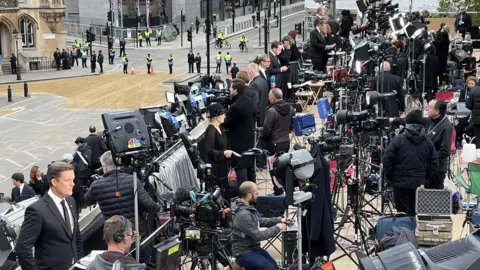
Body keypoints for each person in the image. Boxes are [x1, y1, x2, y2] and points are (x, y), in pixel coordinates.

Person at [84, 151, 161, 263]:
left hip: (112, 235)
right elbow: (150, 205)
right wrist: (158, 207)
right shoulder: (132, 180)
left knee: (116, 263)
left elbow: (87, 201)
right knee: (142, 262)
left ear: (104, 167)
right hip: (134, 233)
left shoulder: (97, 185)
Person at [16, 162, 83, 270]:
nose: (73, 184)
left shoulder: (71, 201)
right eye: (68, 180)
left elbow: (76, 236)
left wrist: (78, 261)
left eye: (73, 179)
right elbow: (22, 248)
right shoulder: (37, 210)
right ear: (54, 182)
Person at [383, 110, 439, 215]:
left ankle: (405, 231)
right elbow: (434, 162)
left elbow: (387, 159)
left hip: (400, 184)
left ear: (407, 123)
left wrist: (390, 178)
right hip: (418, 184)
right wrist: (425, 177)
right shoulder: (427, 142)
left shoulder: (398, 140)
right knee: (416, 214)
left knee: (403, 215)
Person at [391, 99, 452, 189]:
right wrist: (394, 120)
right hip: (426, 165)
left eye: (430, 107)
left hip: (437, 168)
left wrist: (430, 159)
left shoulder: (446, 126)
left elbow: (445, 150)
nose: (427, 109)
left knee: (433, 193)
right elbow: (412, 119)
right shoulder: (430, 119)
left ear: (437, 111)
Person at [232, 181, 291, 269]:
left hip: (253, 248)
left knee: (274, 266)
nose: (258, 196)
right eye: (256, 193)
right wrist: (277, 228)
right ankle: (239, 264)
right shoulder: (243, 215)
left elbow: (259, 221)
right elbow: (258, 235)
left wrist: (280, 219)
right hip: (244, 252)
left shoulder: (246, 206)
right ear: (249, 195)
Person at [261, 88, 294, 194]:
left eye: (269, 96)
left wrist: (262, 138)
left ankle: (278, 189)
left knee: (273, 169)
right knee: (284, 167)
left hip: (273, 144)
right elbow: (292, 124)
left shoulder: (271, 111)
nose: (268, 97)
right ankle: (286, 187)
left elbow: (267, 129)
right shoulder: (290, 108)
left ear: (274, 97)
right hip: (285, 141)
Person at [223, 79, 256, 184]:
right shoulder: (249, 101)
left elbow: (226, 122)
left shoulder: (235, 106)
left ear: (236, 90)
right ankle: (253, 191)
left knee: (240, 169)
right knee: (250, 168)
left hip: (238, 143)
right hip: (249, 139)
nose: (229, 89)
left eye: (231, 88)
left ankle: (245, 193)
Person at [204, 103, 235, 200]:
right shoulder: (211, 130)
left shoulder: (221, 128)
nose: (225, 116)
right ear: (216, 116)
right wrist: (223, 153)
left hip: (223, 165)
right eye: (223, 114)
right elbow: (209, 150)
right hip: (216, 167)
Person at [248, 62, 269, 126]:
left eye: (248, 71)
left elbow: (254, 102)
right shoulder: (263, 81)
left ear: (251, 71)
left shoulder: (254, 84)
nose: (248, 74)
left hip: (258, 117)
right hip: (264, 113)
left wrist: (254, 115)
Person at [466, 78, 480, 149]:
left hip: (477, 120)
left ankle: (479, 155)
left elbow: (468, 106)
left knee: (478, 137)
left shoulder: (473, 90)